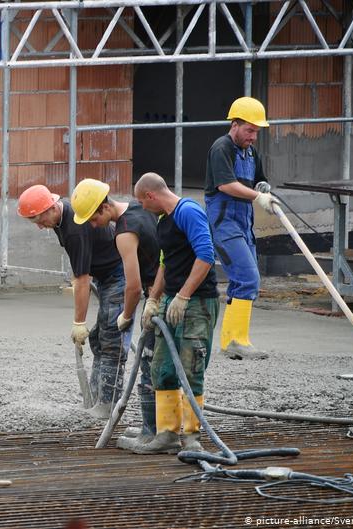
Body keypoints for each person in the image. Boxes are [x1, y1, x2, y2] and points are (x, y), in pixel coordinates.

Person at [17, 183, 129, 419]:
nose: (39, 226)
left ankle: (108, 405)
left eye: (39, 219)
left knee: (111, 339)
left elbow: (82, 279)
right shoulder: (61, 219)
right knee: (98, 340)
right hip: (105, 275)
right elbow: (80, 271)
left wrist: (79, 322)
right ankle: (96, 397)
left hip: (118, 275)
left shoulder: (73, 229)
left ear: (51, 208)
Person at [131, 173, 219, 454]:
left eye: (141, 202)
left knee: (191, 368)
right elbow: (164, 263)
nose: (142, 208)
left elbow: (206, 254)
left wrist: (184, 295)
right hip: (171, 301)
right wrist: (154, 300)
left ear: (151, 196)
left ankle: (192, 438)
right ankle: (167, 434)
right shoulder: (163, 220)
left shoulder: (188, 212)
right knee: (162, 367)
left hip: (197, 303)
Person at [72, 179, 160, 450]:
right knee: (153, 362)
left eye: (93, 218)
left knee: (150, 364)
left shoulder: (123, 231)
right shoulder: (140, 209)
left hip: (160, 292)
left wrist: (127, 314)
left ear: (104, 207)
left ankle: (157, 433)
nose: (92, 225)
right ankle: (155, 429)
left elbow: (131, 286)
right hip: (161, 290)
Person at [204, 96, 278, 359]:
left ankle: (232, 340)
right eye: (249, 130)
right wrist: (257, 197)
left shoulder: (250, 152)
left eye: (256, 131)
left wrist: (263, 189)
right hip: (224, 223)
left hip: (244, 223)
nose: (253, 136)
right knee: (249, 277)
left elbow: (259, 180)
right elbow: (226, 186)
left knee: (241, 280)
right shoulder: (221, 148)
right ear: (234, 124)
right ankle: (237, 340)